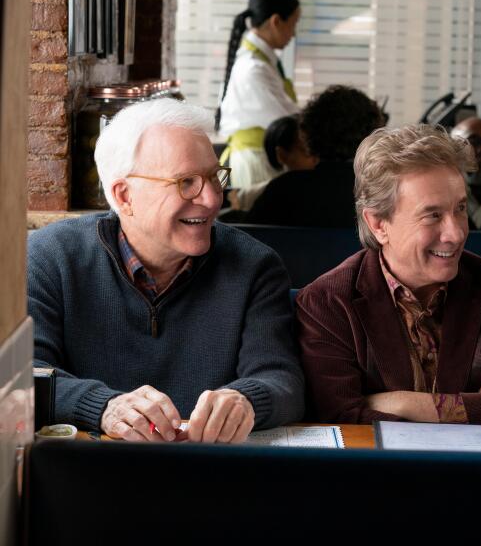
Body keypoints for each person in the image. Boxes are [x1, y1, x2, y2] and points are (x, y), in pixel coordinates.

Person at [27, 98, 305, 443]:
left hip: (213, 476)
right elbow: (26, 374)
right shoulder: (50, 257)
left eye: (213, 177)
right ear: (125, 195)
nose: (212, 199)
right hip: (87, 474)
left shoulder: (255, 266)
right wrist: (104, 406)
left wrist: (246, 399)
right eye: (186, 181)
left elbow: (282, 378)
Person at [296, 124, 481, 427]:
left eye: (460, 208)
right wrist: (477, 401)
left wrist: (404, 402)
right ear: (378, 224)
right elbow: (338, 417)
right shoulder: (328, 302)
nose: (456, 232)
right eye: (433, 215)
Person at [245, 85, 384, 227]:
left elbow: (248, 239)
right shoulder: (383, 194)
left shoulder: (282, 191)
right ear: (373, 135)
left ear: (307, 135)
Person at [218, 0, 301, 188]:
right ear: (276, 22)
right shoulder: (253, 69)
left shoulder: (261, 63)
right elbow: (286, 119)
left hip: (261, 158)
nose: (294, 33)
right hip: (255, 162)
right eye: (293, 24)